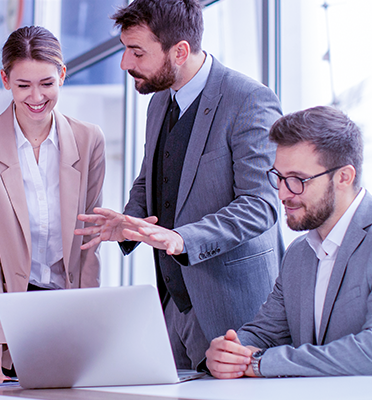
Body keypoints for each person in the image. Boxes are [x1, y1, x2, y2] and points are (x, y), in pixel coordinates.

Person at [75, 0, 281, 369]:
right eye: (125, 50)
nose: (125, 64)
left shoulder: (249, 99)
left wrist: (185, 238)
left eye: (136, 52)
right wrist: (128, 222)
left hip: (234, 310)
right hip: (173, 304)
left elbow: (261, 205)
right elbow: (150, 178)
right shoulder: (158, 102)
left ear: (180, 51)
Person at [204, 106, 372, 378]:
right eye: (278, 177)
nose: (282, 194)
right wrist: (229, 351)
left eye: (297, 180)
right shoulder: (299, 254)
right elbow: (264, 332)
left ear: (343, 177)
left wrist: (260, 363)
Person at [0, 26, 105, 383]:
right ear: (5, 80)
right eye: (23, 86)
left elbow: (88, 242)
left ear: (62, 75)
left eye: (47, 83)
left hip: (60, 316)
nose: (36, 96)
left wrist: (90, 326)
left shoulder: (88, 139)